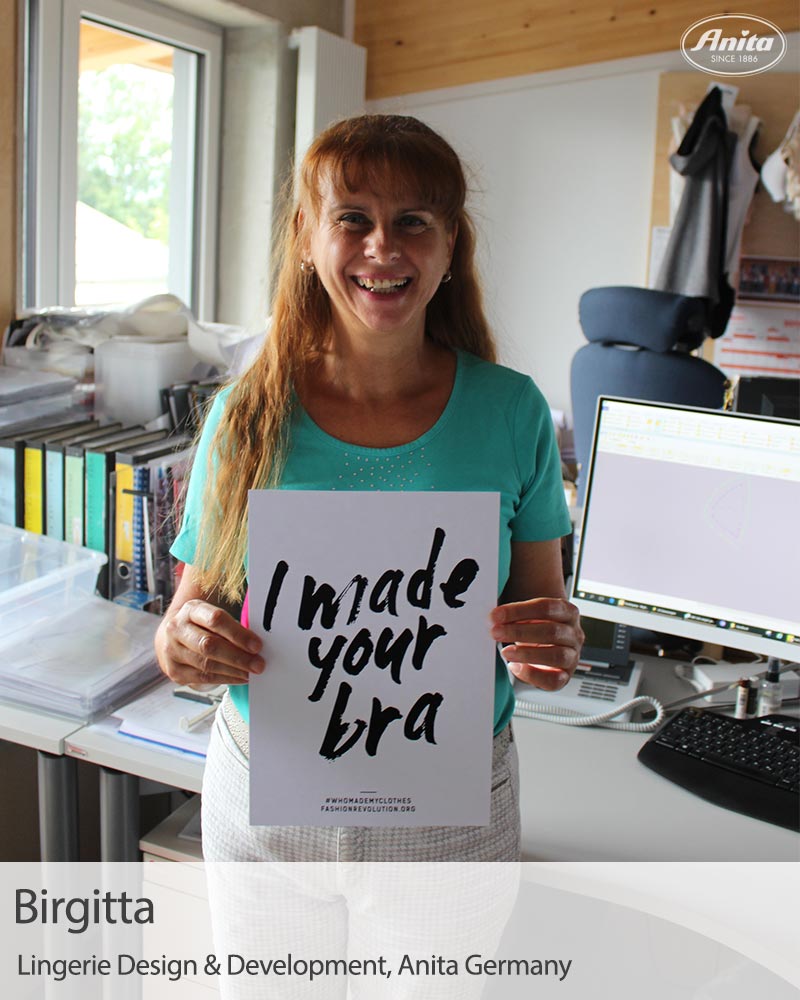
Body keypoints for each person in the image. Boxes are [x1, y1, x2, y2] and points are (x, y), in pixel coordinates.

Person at [155, 114, 584, 864]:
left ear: (449, 245)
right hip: (267, 806)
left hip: (451, 814)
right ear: (307, 238)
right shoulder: (247, 415)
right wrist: (182, 646)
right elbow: (189, 620)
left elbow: (540, 625)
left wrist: (551, 646)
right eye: (352, 218)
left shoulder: (513, 412)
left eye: (413, 221)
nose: (382, 247)